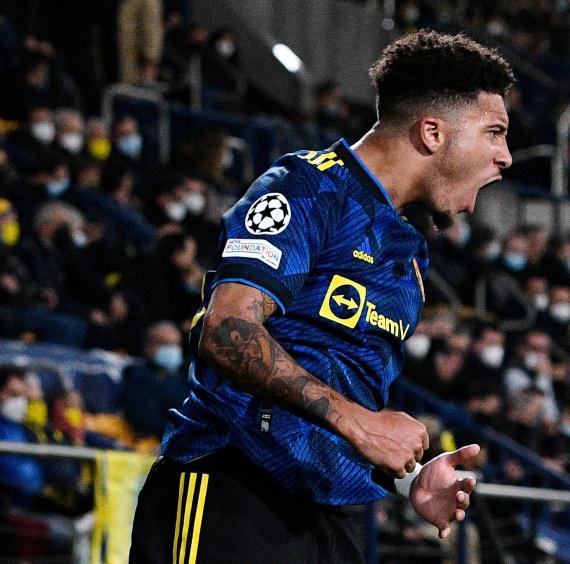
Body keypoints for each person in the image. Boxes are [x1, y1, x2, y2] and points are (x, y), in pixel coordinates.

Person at [130, 29, 514, 563]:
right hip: (234, 489)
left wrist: (405, 476)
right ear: (432, 133)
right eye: (495, 132)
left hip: (332, 521)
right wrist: (361, 424)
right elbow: (226, 330)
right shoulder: (308, 188)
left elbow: (339, 393)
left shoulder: (408, 254)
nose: (506, 157)